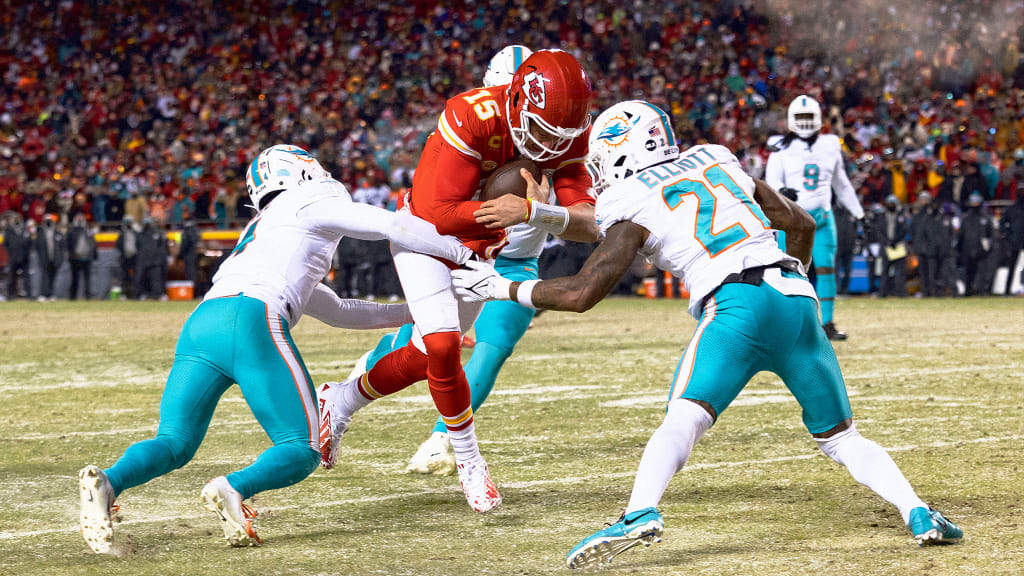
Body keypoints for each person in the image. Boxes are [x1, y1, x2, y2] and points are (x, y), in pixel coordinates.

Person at [451, 101, 963, 568]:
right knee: (841, 437)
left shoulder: (630, 196)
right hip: (796, 299)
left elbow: (583, 292)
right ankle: (917, 511)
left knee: (683, 419)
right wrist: (796, 277)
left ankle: (639, 512)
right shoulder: (715, 158)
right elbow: (799, 222)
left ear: (619, 151)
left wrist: (500, 286)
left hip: (735, 304)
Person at [77, 144, 473, 554]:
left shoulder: (271, 231)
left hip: (203, 323)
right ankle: (232, 488)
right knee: (303, 449)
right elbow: (392, 226)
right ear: (299, 172)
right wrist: (466, 255)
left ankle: (110, 480)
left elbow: (338, 311)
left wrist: (417, 312)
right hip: (251, 319)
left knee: (175, 441)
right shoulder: (308, 199)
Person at [317, 49, 596, 513]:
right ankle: (470, 461)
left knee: (426, 353)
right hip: (424, 235)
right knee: (445, 345)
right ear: (513, 99)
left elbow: (589, 226)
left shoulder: (567, 131)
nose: (550, 145)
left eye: (560, 135)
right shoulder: (472, 113)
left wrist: (536, 212)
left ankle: (341, 400)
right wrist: (510, 215)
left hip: (486, 250)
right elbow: (436, 213)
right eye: (543, 130)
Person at [766, 95, 864, 339]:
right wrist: (781, 192)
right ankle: (789, 325)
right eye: (801, 117)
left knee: (827, 270)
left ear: (819, 119)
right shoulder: (780, 145)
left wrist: (859, 213)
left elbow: (841, 184)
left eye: (809, 117)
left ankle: (827, 323)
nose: (805, 122)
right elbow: (772, 181)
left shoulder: (830, 144)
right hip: (792, 222)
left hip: (822, 218)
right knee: (788, 274)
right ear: (791, 119)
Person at [34, 214, 65, 301]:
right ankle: (43, 294)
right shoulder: (40, 233)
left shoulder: (58, 233)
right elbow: (37, 246)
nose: (48, 223)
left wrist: (60, 258)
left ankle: (51, 294)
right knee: (44, 277)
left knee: (53, 277)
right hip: (44, 259)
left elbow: (62, 247)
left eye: (50, 221)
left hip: (54, 259)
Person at [67, 213, 97, 300]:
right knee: (75, 279)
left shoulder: (88, 231)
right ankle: (73, 297)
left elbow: (93, 243)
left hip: (86, 258)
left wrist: (94, 255)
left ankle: (88, 296)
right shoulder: (72, 231)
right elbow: (69, 244)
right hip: (75, 258)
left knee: (87, 279)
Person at [3, 214, 32, 300]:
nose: (17, 220)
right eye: (16, 219)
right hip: (13, 257)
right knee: (11, 277)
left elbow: (30, 242)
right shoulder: (9, 230)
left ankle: (29, 295)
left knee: (26, 277)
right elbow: (5, 244)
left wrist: (26, 251)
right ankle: (10, 295)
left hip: (24, 257)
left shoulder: (25, 230)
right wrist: (11, 251)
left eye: (18, 219)